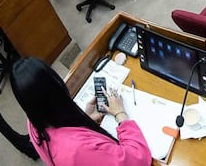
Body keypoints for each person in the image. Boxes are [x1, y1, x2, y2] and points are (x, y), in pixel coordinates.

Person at [10, 56, 151, 166]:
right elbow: (138, 160)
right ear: (57, 88)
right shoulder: (77, 149)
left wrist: (85, 119)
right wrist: (121, 114)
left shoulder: (34, 123)